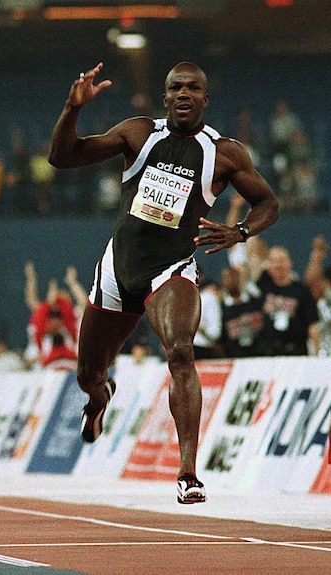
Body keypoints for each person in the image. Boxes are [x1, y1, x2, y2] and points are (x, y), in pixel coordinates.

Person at [48, 62, 279, 504]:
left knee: (180, 352)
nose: (185, 94)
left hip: (171, 269)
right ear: (166, 96)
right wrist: (71, 108)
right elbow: (62, 157)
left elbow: (269, 202)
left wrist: (243, 232)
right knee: (87, 375)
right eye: (177, 87)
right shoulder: (137, 133)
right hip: (119, 269)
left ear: (206, 99)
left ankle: (188, 473)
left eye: (194, 88)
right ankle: (100, 400)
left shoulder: (225, 153)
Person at [254, 245, 319, 356]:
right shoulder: (263, 286)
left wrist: (316, 355)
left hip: (296, 352)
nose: (279, 265)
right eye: (274, 261)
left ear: (290, 263)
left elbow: (312, 326)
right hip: (268, 353)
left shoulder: (302, 291)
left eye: (282, 260)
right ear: (268, 266)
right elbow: (252, 254)